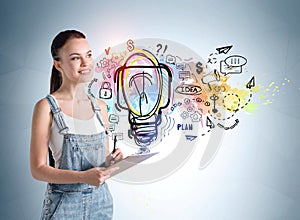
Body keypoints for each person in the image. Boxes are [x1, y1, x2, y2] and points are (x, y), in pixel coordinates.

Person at [30, 30, 123, 220]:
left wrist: (111, 163)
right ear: (58, 65)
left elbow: (99, 167)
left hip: (101, 203)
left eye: (88, 55)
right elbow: (37, 169)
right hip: (64, 205)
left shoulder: (100, 107)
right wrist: (82, 177)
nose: (85, 63)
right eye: (75, 58)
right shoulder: (46, 107)